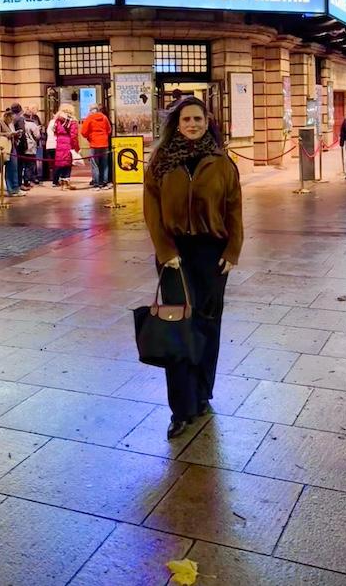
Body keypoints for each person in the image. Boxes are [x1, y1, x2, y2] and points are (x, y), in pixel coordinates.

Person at [143, 96, 243, 440]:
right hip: (174, 255)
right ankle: (181, 408)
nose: (192, 125)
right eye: (186, 119)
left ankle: (202, 393)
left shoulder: (221, 162)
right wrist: (165, 250)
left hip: (212, 253)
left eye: (197, 119)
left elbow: (234, 209)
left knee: (207, 325)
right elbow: (151, 210)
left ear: (206, 121)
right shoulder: (160, 162)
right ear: (176, 123)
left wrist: (233, 250)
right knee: (178, 329)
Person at [0, 108, 23, 196]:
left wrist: (16, 134)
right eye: (11, 119)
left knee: (13, 168)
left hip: (11, 147)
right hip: (2, 148)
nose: (11, 121)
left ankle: (14, 189)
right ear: (6, 116)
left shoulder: (9, 124)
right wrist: (9, 134)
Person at [81, 103, 112, 189]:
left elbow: (83, 132)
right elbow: (109, 130)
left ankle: (96, 183)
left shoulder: (89, 118)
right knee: (104, 164)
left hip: (94, 144)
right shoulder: (104, 117)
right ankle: (104, 183)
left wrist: (89, 137)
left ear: (91, 110)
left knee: (95, 164)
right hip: (104, 143)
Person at [52, 104, 79, 186]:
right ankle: (65, 180)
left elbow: (55, 131)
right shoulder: (72, 121)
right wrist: (76, 147)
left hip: (59, 142)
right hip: (68, 143)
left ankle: (55, 180)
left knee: (59, 162)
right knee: (67, 163)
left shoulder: (57, 120)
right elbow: (74, 135)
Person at [10, 104, 29, 190]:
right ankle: (18, 184)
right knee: (19, 165)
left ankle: (13, 184)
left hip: (12, 143)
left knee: (13, 166)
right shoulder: (20, 119)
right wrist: (25, 145)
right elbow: (22, 132)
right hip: (19, 145)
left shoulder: (11, 118)